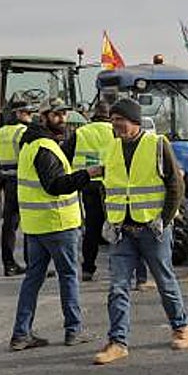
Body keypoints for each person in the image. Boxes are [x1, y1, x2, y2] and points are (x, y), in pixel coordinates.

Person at [92, 98, 188, 365]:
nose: (116, 126)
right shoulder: (112, 148)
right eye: (113, 121)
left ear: (134, 121)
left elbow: (175, 185)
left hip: (152, 229)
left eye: (120, 120)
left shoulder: (157, 144)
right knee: (117, 287)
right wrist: (111, 217)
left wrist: (165, 219)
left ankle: (180, 327)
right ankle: (118, 342)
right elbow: (108, 186)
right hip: (122, 230)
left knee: (165, 282)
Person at [8, 99, 100, 351]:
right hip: (57, 224)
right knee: (68, 276)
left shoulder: (30, 142)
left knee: (33, 279)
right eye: (57, 115)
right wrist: (87, 175)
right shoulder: (44, 146)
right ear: (44, 117)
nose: (62, 119)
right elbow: (55, 186)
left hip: (36, 226)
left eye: (63, 114)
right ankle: (73, 330)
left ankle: (21, 334)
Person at [64, 101, 115, 281]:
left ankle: (88, 269)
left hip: (89, 185)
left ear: (93, 115)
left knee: (92, 229)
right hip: (112, 186)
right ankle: (117, 270)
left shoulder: (81, 132)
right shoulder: (116, 131)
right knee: (115, 227)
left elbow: (64, 155)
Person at [0, 98, 34, 276]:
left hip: (7, 181)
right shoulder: (23, 132)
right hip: (23, 181)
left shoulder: (0, 132)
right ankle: (31, 264)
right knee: (29, 224)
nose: (31, 116)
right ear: (18, 114)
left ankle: (8, 264)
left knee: (9, 225)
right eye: (28, 113)